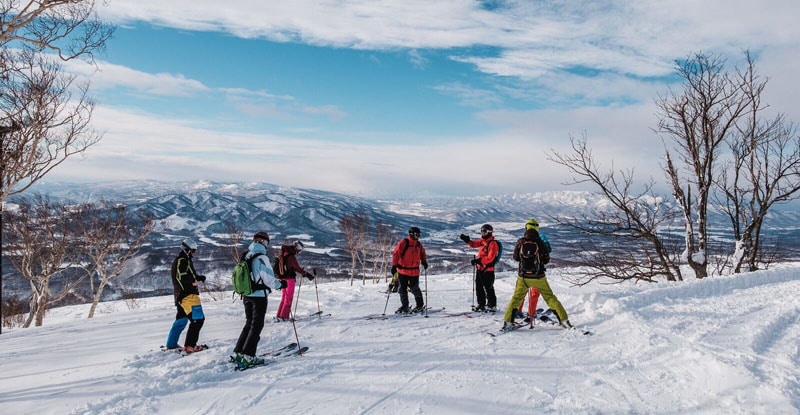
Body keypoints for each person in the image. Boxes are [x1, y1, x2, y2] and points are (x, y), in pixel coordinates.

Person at [232, 231, 287, 367]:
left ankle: (239, 352)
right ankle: (249, 356)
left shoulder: (247, 255)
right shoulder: (262, 257)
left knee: (249, 323)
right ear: (264, 242)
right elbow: (268, 279)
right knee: (257, 325)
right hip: (259, 296)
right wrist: (280, 284)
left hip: (246, 295)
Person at [502, 228, 571, 331]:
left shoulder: (521, 242)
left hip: (523, 277)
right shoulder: (540, 243)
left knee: (516, 298)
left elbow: (516, 257)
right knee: (550, 298)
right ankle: (564, 320)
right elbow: (546, 260)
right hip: (538, 277)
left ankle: (508, 322)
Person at [165, 239, 207, 353]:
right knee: (198, 320)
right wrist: (193, 281)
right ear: (187, 249)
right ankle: (190, 346)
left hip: (181, 295)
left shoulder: (184, 260)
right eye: (193, 250)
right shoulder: (182, 260)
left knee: (181, 320)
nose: (194, 253)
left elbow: (186, 274)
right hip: (187, 295)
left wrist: (198, 277)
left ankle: (171, 344)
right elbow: (181, 277)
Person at [459, 224, 500, 312]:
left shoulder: (493, 243)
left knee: (488, 288)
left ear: (489, 232)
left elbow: (490, 258)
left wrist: (479, 260)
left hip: (488, 270)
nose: (482, 233)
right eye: (481, 231)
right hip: (480, 268)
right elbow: (474, 244)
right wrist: (467, 240)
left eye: (484, 231)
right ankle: (481, 304)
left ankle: (492, 305)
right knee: (479, 287)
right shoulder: (483, 241)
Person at [516, 218, 550, 321]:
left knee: (521, 292)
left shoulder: (522, 241)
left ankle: (518, 310)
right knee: (535, 292)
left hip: (523, 272)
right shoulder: (541, 239)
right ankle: (531, 312)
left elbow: (516, 257)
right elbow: (548, 253)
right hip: (537, 272)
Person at [275, 240, 315, 322]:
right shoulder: (291, 256)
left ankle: (279, 315)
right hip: (289, 280)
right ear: (296, 247)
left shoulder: (284, 253)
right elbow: (297, 268)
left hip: (282, 280)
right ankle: (284, 317)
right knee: (288, 298)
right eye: (299, 249)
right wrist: (307, 274)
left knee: (284, 298)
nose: (299, 251)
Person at [391, 226, 428, 313]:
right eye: (416, 234)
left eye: (419, 235)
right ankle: (405, 306)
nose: (418, 236)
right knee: (402, 289)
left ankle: (420, 305)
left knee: (415, 288)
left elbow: (422, 253)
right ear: (411, 234)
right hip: (403, 271)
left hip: (414, 272)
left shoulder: (418, 245)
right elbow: (396, 254)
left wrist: (424, 261)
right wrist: (394, 266)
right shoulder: (404, 243)